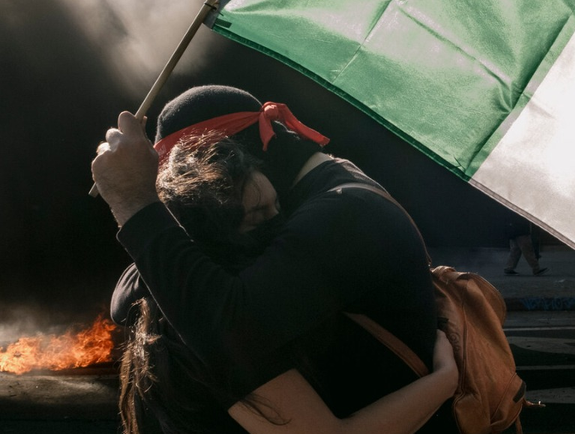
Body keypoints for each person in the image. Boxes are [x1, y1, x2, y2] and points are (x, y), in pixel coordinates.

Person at [93, 85, 454, 432]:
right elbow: (129, 294)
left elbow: (229, 328)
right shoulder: (315, 191)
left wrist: (135, 203)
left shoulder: (344, 213)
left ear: (228, 161)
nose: (269, 217)